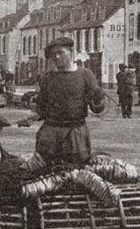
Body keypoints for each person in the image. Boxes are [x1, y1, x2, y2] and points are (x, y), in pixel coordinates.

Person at [31, 37, 104, 166]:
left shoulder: (86, 75)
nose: (56, 57)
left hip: (75, 134)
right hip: (50, 133)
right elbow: (41, 108)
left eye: (60, 52)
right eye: (53, 54)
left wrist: (98, 99)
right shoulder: (47, 78)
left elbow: (97, 109)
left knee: (76, 170)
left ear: (71, 52)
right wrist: (34, 116)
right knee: (45, 171)